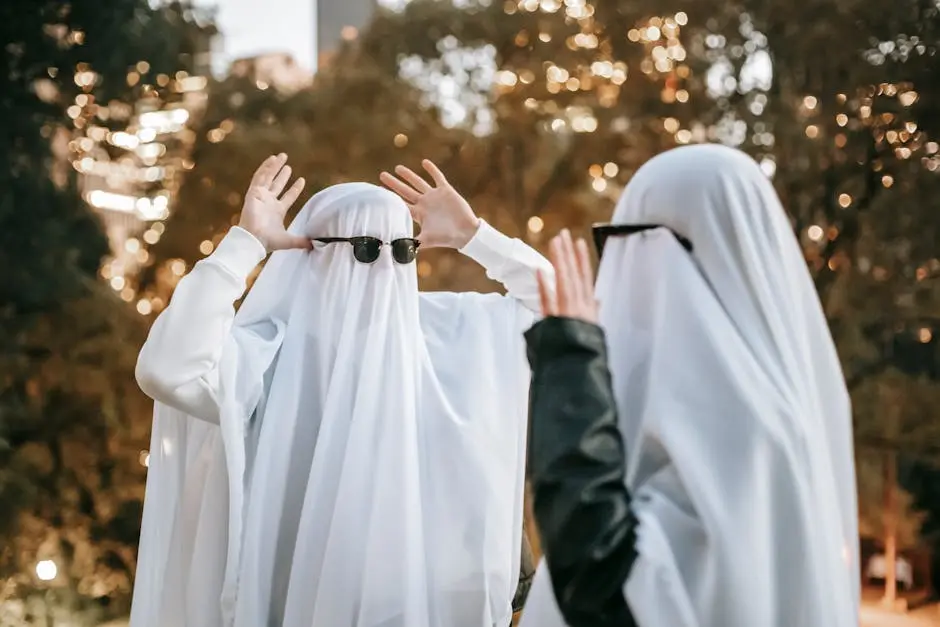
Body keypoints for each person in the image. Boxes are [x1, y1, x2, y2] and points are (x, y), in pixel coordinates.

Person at [130, 154, 553, 627]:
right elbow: (166, 369)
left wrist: (474, 235)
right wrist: (245, 245)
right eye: (367, 248)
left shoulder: (447, 336)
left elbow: (559, 313)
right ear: (310, 253)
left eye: (403, 250)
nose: (385, 267)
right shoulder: (267, 358)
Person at [519, 145, 860, 627]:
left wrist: (572, 366)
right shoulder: (778, 415)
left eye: (618, 241)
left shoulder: (739, 425)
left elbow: (607, 594)